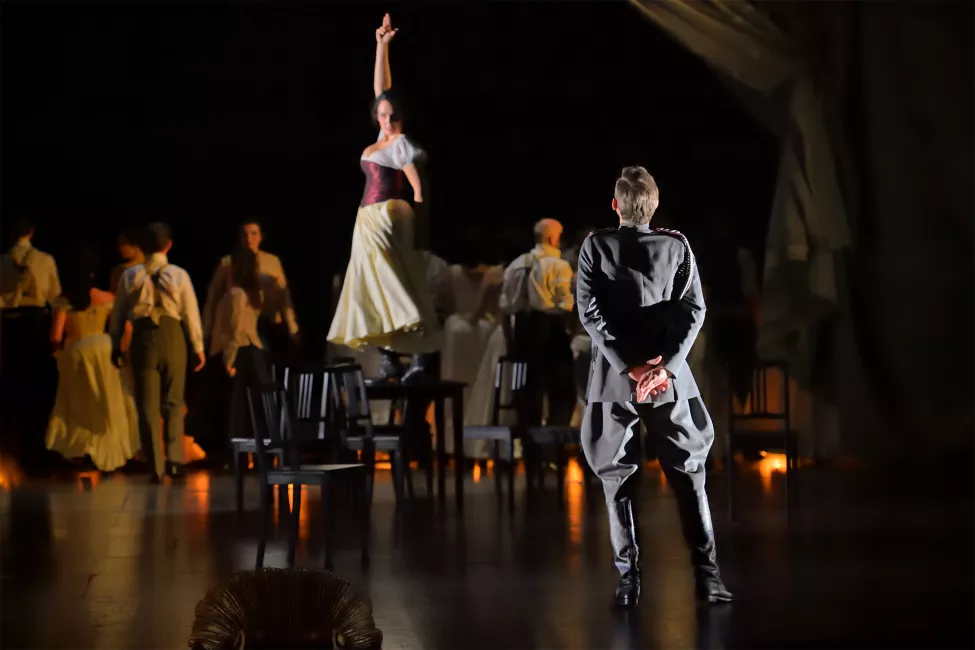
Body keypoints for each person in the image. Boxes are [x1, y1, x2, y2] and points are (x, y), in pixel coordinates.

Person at [576, 166, 732, 608]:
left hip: (614, 378)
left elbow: (589, 314)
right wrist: (666, 367)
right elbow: (694, 309)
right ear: (654, 204)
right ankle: (709, 579)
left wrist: (629, 367)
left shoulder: (595, 245)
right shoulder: (677, 245)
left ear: (615, 205)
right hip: (666, 376)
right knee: (690, 476)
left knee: (616, 481)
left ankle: (630, 584)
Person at [326, 12, 441, 383]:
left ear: (401, 116)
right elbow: (382, 90)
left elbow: (414, 178)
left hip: (389, 213)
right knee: (365, 282)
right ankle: (391, 356)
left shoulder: (399, 141)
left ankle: (420, 351)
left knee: (391, 279)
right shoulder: (383, 134)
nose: (385, 119)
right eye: (381, 115)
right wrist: (381, 46)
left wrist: (421, 211)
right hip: (369, 216)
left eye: (391, 115)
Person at [109, 223, 206, 483]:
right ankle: (174, 460)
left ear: (142, 246)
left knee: (147, 405)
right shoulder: (179, 274)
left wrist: (115, 344)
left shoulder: (129, 276)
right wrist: (198, 347)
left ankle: (155, 465)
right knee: (174, 400)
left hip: (143, 338)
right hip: (172, 335)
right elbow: (190, 313)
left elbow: (117, 314)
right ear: (168, 245)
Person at [46, 246, 139, 471]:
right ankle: (106, 446)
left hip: (76, 352)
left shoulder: (63, 301)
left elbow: (56, 335)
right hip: (103, 349)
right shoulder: (106, 298)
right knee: (107, 401)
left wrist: (57, 352)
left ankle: (81, 447)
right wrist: (124, 354)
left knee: (79, 405)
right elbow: (126, 328)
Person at [192, 245, 271, 463]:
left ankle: (237, 457)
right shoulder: (253, 293)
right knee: (245, 410)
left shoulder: (236, 294)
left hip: (239, 355)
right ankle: (247, 457)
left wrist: (229, 359)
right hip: (249, 354)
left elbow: (236, 330)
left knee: (236, 410)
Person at [0, 213, 62, 472]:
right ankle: (40, 443)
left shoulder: (2, 262)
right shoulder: (45, 260)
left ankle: (21, 443)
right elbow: (55, 296)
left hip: (11, 323)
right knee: (38, 383)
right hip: (36, 323)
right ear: (32, 232)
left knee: (15, 382)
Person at [498, 218, 575, 427]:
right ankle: (552, 446)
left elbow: (505, 307)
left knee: (526, 391)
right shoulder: (558, 266)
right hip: (551, 331)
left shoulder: (516, 265)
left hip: (523, 331)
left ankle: (531, 451)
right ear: (552, 238)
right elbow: (566, 305)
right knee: (562, 391)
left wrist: (510, 342)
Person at [202, 219, 299, 364]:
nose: (249, 239)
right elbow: (213, 297)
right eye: (245, 234)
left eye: (253, 234)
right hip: (241, 326)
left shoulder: (271, 261)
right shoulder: (228, 263)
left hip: (269, 322)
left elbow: (284, 296)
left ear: (260, 236)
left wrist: (292, 326)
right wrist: (206, 331)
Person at [109, 226, 146, 295]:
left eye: (123, 244)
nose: (120, 248)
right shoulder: (120, 269)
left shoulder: (122, 270)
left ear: (135, 245)